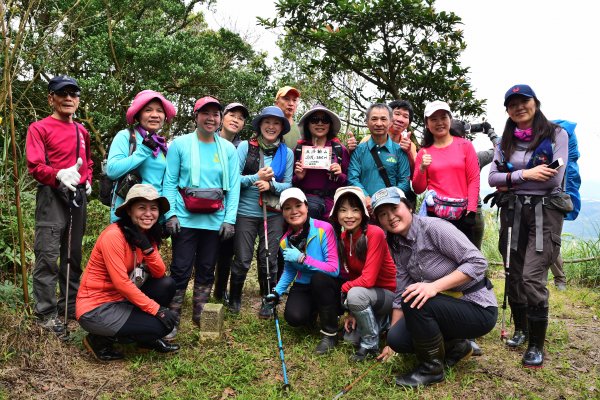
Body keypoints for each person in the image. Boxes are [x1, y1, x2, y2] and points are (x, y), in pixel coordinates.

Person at [371, 187, 497, 387]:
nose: (391, 217)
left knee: (416, 300)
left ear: (409, 207)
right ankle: (457, 347)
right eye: (383, 214)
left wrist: (434, 287)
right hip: (445, 307)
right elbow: (401, 290)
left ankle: (431, 369)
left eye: (394, 208)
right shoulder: (397, 243)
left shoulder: (434, 228)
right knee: (397, 339)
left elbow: (478, 262)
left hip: (477, 307)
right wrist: (390, 344)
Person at [488, 84, 569, 368]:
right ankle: (522, 329)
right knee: (513, 272)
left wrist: (513, 177)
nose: (519, 107)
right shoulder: (504, 142)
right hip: (513, 212)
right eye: (513, 104)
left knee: (532, 276)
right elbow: (492, 178)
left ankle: (536, 345)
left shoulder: (556, 134)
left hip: (544, 214)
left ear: (535, 102)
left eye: (524, 101)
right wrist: (527, 173)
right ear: (508, 110)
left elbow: (553, 180)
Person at [162, 96, 240, 339]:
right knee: (181, 268)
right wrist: (170, 213)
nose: (211, 118)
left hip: (215, 220)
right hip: (185, 219)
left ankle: (202, 314)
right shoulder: (180, 144)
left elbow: (234, 187)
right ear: (196, 116)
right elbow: (170, 182)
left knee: (207, 268)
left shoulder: (228, 148)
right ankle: (172, 318)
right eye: (205, 113)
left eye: (215, 114)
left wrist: (230, 219)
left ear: (220, 119)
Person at [76, 184, 179, 360]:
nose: (148, 213)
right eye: (141, 207)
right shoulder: (114, 236)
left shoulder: (143, 234)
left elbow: (159, 272)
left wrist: (146, 247)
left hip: (120, 299)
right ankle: (98, 339)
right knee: (161, 327)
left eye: (153, 208)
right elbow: (121, 283)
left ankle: (144, 341)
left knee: (167, 284)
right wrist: (158, 310)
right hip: (96, 308)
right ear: (129, 211)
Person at [25, 75, 93, 334]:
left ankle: (70, 306)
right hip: (52, 195)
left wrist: (86, 180)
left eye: (73, 94)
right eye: (62, 93)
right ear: (51, 98)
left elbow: (87, 163)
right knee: (48, 254)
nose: (68, 98)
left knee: (72, 254)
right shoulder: (39, 128)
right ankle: (46, 313)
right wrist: (57, 174)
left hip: (77, 196)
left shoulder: (81, 130)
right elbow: (35, 165)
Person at [228, 106, 294, 317]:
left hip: (273, 213)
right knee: (243, 258)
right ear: (260, 125)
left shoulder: (288, 153)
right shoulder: (246, 147)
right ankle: (235, 297)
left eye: (276, 123)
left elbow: (289, 185)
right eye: (267, 122)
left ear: (282, 128)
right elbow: (233, 180)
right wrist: (256, 178)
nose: (271, 127)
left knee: (269, 257)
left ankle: (268, 300)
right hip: (245, 212)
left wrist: (272, 185)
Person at [263, 188, 340, 354]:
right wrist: (276, 292)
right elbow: (290, 271)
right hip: (303, 284)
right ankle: (312, 312)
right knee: (294, 318)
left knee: (319, 279)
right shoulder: (285, 241)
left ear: (306, 206)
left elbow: (333, 268)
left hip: (326, 283)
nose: (294, 211)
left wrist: (303, 259)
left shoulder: (323, 229)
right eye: (288, 208)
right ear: (282, 212)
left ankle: (330, 333)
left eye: (298, 205)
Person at [330, 186, 396, 362]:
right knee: (349, 339)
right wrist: (352, 312)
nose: (349, 216)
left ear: (363, 213)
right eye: (343, 210)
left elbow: (367, 280)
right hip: (368, 295)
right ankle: (383, 323)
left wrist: (344, 290)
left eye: (355, 209)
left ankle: (370, 344)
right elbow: (354, 277)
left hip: (389, 295)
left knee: (355, 294)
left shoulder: (375, 233)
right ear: (336, 214)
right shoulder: (344, 238)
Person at [412, 101, 480, 245]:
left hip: (462, 215)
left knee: (467, 259)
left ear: (450, 119)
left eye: (443, 117)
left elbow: (473, 179)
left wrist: (471, 211)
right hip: (435, 216)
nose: (439, 123)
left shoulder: (465, 146)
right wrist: (422, 168)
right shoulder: (424, 152)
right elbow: (418, 188)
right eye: (434, 119)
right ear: (427, 123)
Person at [106, 90, 176, 222]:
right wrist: (143, 151)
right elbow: (112, 170)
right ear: (138, 114)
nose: (155, 115)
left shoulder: (161, 145)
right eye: (148, 110)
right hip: (127, 216)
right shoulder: (126, 136)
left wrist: (166, 216)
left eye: (160, 111)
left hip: (153, 219)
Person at [213, 103, 250, 304]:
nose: (236, 120)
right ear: (222, 117)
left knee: (227, 251)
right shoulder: (208, 139)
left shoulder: (242, 148)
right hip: (205, 204)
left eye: (241, 118)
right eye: (232, 115)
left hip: (230, 206)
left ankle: (219, 291)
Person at [347, 103, 411, 215]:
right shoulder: (359, 150)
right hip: (364, 209)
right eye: (374, 119)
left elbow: (404, 182)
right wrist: (366, 198)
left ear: (390, 122)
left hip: (391, 209)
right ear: (367, 122)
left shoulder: (399, 151)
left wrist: (389, 199)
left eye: (383, 119)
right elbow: (353, 178)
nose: (379, 123)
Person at [450, 118, 500, 250]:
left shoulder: (439, 156)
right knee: (474, 255)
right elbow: (499, 150)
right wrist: (490, 132)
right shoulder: (476, 157)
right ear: (464, 136)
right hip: (473, 213)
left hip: (447, 211)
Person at [293, 105, 350, 219]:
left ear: (330, 125)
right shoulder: (299, 149)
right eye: (314, 120)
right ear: (308, 124)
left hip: (332, 207)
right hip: (305, 205)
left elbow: (349, 180)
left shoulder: (339, 150)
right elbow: (289, 182)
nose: (320, 123)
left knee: (331, 236)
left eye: (325, 120)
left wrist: (339, 175)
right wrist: (298, 177)